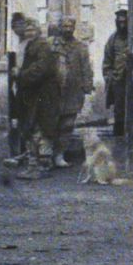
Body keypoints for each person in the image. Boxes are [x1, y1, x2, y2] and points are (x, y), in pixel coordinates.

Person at [11, 15, 59, 170]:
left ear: (38, 31)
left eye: (32, 29)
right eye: (27, 30)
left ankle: (44, 162)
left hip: (44, 94)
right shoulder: (29, 46)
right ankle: (34, 161)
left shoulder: (43, 46)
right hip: (33, 94)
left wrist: (21, 74)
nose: (29, 33)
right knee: (31, 127)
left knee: (43, 128)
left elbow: (41, 69)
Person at [47, 19, 95, 166]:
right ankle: (47, 155)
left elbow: (86, 68)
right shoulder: (50, 44)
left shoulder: (80, 47)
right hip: (53, 91)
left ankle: (59, 155)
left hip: (73, 92)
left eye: (70, 26)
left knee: (67, 125)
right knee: (50, 124)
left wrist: (87, 87)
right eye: (65, 26)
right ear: (60, 27)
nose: (68, 29)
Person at [102, 8, 131, 138]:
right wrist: (109, 77)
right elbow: (107, 61)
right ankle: (119, 135)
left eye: (125, 22)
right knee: (119, 108)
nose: (122, 25)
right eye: (120, 22)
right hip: (118, 79)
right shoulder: (112, 39)